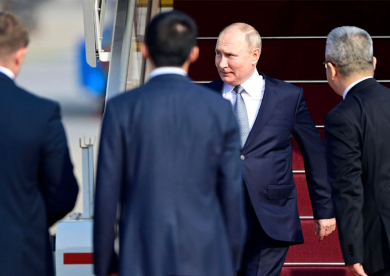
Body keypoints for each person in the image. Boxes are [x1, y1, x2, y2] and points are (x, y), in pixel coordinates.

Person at [93, 11, 246, 276]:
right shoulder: (219, 110)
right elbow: (232, 194)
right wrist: (230, 259)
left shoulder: (121, 109)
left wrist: (106, 264)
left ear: (145, 51)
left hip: (141, 258)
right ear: (194, 53)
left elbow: (107, 195)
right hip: (207, 258)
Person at [206, 23, 336, 276]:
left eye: (230, 55)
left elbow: (315, 154)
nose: (222, 63)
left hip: (271, 216)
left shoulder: (288, 96)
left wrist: (324, 210)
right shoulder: (202, 96)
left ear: (255, 55)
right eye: (217, 53)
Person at [324, 26, 390, 276]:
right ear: (373, 62)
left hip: (384, 249)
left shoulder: (342, 117)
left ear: (331, 69)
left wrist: (353, 254)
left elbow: (348, 189)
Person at [0, 11, 79, 276]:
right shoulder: (40, 112)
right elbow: (64, 192)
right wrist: (28, 221)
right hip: (21, 257)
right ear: (20, 54)